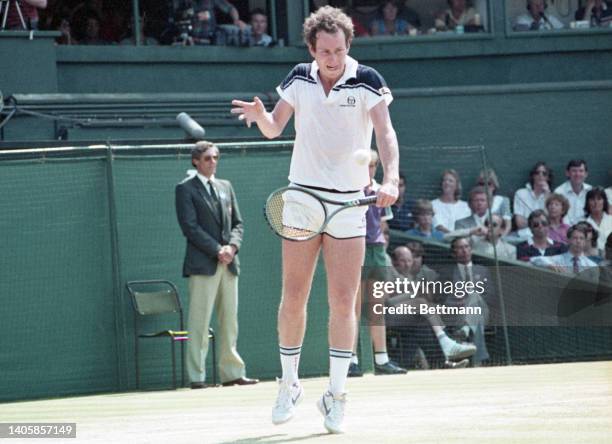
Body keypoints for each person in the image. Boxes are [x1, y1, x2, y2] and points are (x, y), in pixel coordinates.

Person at [231, 6, 399, 434]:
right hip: (303, 198)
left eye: (339, 50)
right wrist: (260, 116)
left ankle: (337, 395)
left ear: (348, 47)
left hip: (349, 204)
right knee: (294, 295)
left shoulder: (368, 81)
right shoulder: (299, 78)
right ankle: (289, 384)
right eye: (325, 51)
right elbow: (273, 128)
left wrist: (390, 178)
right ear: (312, 48)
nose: (333, 59)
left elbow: (386, 133)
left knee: (343, 302)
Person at [175, 142, 258, 389]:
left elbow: (238, 224)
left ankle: (232, 373)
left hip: (229, 265)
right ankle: (197, 377)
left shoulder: (226, 187)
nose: (213, 162)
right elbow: (189, 227)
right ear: (195, 161)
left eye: (216, 158)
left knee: (229, 320)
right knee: (199, 322)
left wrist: (231, 247)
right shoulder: (185, 189)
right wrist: (216, 249)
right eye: (208, 158)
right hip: (203, 265)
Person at [350, 150, 406, 378]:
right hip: (355, 251)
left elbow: (382, 226)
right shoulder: (350, 191)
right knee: (352, 309)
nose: (370, 169)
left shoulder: (382, 192)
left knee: (376, 308)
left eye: (373, 166)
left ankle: (382, 359)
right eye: (367, 165)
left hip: (376, 252)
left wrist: (382, 251)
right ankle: (351, 361)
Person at [386, 246, 477, 368]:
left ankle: (442, 363)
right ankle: (446, 343)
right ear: (394, 261)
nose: (407, 264)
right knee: (421, 303)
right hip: (380, 317)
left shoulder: (406, 277)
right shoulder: (386, 271)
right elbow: (387, 302)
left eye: (409, 260)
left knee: (423, 321)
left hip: (403, 317)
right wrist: (414, 292)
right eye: (403, 260)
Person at [440, 236, 494, 365]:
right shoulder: (447, 273)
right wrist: (456, 304)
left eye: (466, 247)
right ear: (453, 253)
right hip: (456, 314)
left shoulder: (483, 270)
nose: (464, 250)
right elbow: (441, 298)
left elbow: (491, 296)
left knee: (474, 297)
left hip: (483, 312)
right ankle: (478, 361)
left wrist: (472, 300)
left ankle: (464, 330)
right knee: (475, 316)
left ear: (471, 249)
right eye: (460, 248)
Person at [531, 224, 599, 280]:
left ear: (585, 241)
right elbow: (534, 260)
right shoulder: (558, 260)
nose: (578, 241)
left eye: (581, 238)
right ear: (568, 240)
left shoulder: (592, 266)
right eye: (575, 238)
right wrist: (549, 265)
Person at [513, 161, 553, 230]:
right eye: (537, 173)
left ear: (548, 177)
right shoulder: (521, 193)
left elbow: (551, 221)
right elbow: (519, 222)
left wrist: (547, 195)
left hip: (545, 235)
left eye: (544, 173)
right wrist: (541, 224)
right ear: (533, 176)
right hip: (524, 235)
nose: (540, 175)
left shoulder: (551, 196)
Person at [554, 159, 593, 225]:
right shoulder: (559, 192)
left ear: (586, 174)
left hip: (588, 230)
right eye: (574, 171)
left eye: (581, 171)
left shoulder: (591, 191)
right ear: (567, 173)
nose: (577, 174)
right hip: (566, 231)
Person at [431, 169, 471, 233]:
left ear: (456, 185)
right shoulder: (432, 205)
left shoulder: (466, 206)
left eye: (450, 181)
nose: (447, 183)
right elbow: (438, 226)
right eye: (444, 180)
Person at [475, 168, 512, 236]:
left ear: (494, 185)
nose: (485, 187)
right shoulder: (474, 201)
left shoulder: (502, 200)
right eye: (482, 184)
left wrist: (500, 239)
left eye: (488, 183)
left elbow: (508, 226)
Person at [584, 187, 612, 252]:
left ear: (604, 201)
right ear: (587, 202)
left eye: (599, 199)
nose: (596, 202)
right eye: (592, 199)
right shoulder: (581, 222)